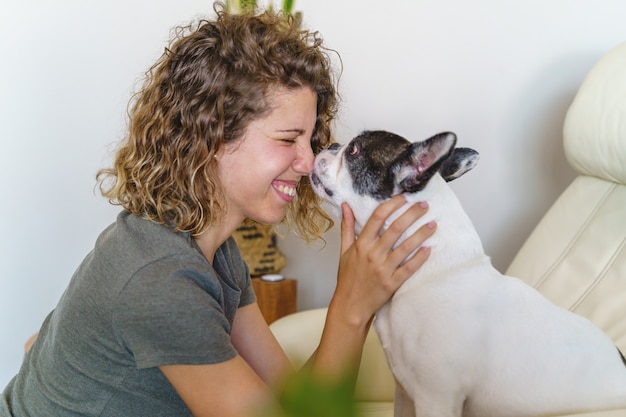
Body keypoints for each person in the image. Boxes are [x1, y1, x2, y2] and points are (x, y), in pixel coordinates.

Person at [1, 3, 436, 417]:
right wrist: (352, 305)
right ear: (212, 138)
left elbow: (294, 400)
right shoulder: (162, 280)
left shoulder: (213, 251)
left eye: (308, 140)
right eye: (288, 139)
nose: (307, 163)